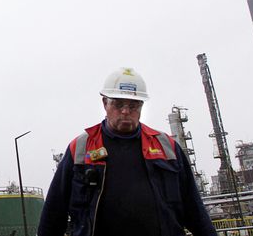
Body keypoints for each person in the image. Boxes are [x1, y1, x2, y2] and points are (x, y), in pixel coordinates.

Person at [37, 67, 217, 236]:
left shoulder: (166, 147)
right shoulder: (80, 148)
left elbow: (194, 209)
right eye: (118, 104)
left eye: (133, 106)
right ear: (105, 103)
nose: (125, 111)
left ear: (141, 107)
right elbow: (54, 213)